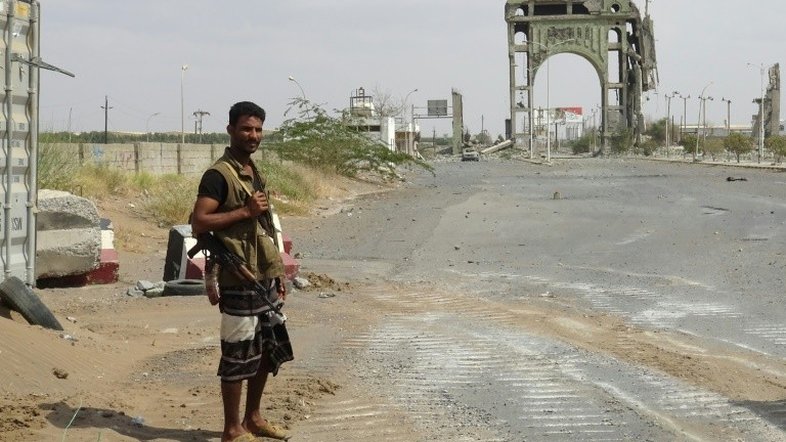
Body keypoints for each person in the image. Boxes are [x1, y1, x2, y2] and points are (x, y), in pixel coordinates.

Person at [191, 101, 293, 442]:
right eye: (247, 129)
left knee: (265, 349)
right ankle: (232, 429)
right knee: (237, 354)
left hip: (261, 274)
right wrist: (244, 211)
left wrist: (277, 271)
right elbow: (200, 222)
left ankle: (253, 418)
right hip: (237, 275)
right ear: (231, 130)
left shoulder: (252, 170)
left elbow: (264, 226)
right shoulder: (218, 175)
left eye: (258, 129)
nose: (253, 135)